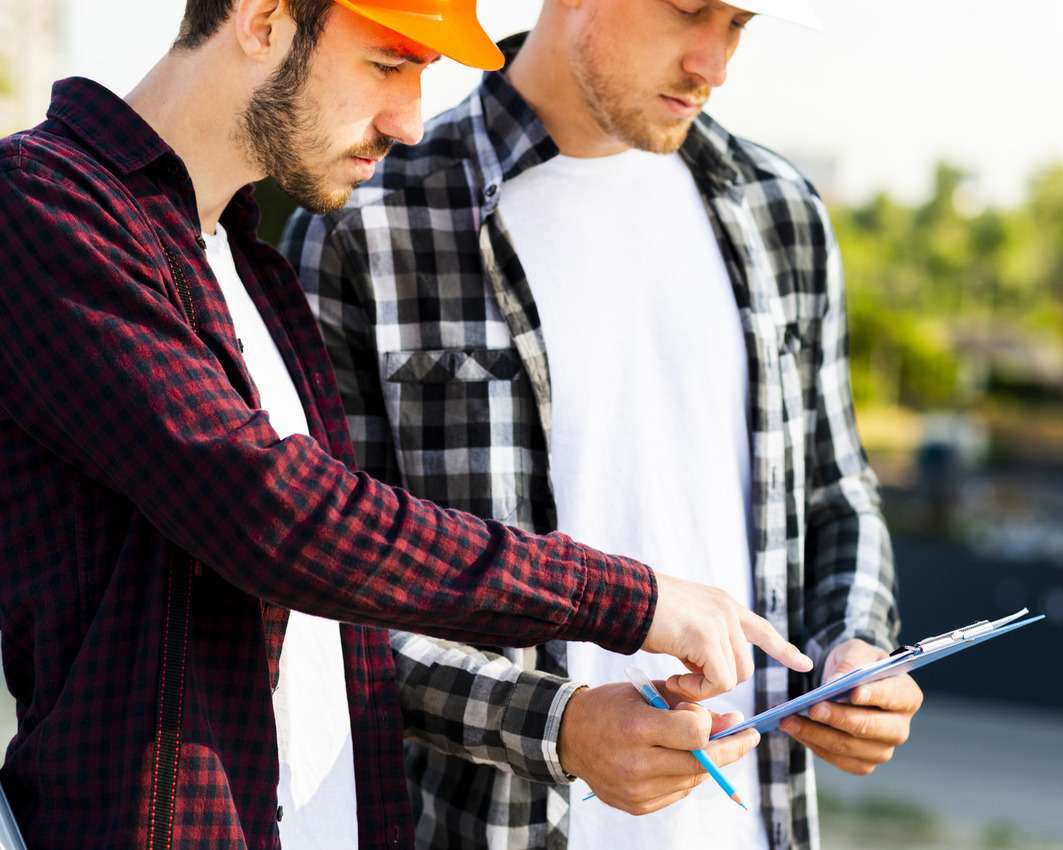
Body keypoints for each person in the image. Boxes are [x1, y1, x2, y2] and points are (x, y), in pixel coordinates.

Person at [0, 1, 813, 847]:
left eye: (424, 75)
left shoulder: (247, 268)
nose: (411, 122)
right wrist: (626, 598)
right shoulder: (40, 205)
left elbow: (353, 601)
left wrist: (563, 717)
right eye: (389, 64)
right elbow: (282, 515)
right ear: (263, 18)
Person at [282, 1, 926, 848]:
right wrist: (563, 727)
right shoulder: (368, 220)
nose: (714, 62)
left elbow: (837, 491)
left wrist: (858, 647)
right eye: (689, 11)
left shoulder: (782, 212)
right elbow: (322, 595)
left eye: (738, 24)